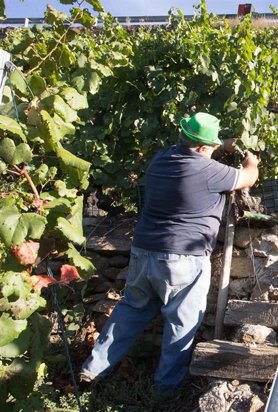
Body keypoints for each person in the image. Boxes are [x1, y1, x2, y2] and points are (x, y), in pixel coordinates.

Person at [80, 112, 260, 395]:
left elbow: (200, 151)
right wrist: (251, 161)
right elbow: (249, 177)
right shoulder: (209, 172)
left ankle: (93, 369)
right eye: (210, 146)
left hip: (144, 251)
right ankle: (165, 390)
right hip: (183, 259)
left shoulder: (161, 160)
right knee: (181, 322)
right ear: (202, 148)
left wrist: (224, 144)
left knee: (130, 312)